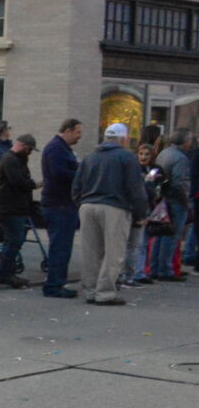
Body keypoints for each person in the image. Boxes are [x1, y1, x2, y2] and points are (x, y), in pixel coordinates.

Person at [73, 123, 149, 305]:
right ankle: (105, 292)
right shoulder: (126, 157)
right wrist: (141, 213)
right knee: (113, 252)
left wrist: (80, 203)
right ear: (123, 139)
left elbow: (76, 185)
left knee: (90, 251)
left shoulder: (90, 157)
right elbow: (135, 188)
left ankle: (90, 290)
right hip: (114, 207)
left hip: (88, 205)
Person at [38, 119, 83, 298]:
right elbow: (59, 173)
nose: (79, 136)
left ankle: (56, 282)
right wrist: (80, 173)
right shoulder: (57, 148)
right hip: (59, 204)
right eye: (78, 132)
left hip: (59, 203)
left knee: (60, 246)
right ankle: (54, 284)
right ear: (68, 130)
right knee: (60, 246)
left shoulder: (59, 148)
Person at [0, 133, 38, 289]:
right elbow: (17, 181)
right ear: (24, 146)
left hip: (12, 206)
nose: (30, 153)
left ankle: (8, 273)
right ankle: (6, 274)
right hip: (10, 207)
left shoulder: (12, 158)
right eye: (29, 149)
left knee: (13, 240)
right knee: (14, 240)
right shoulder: (10, 159)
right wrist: (32, 184)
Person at [150, 129, 192, 281]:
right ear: (185, 141)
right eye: (189, 140)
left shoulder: (164, 153)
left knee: (160, 234)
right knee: (172, 235)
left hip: (164, 198)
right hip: (175, 200)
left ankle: (154, 267)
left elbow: (155, 173)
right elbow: (179, 183)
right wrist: (186, 203)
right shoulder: (181, 159)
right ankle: (165, 269)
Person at [126, 140, 159, 287]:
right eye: (141, 154)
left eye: (147, 154)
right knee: (135, 243)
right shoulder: (134, 169)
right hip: (137, 208)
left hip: (147, 207)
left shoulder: (153, 170)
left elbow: (153, 188)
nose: (143, 157)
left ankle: (139, 272)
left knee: (142, 243)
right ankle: (133, 273)